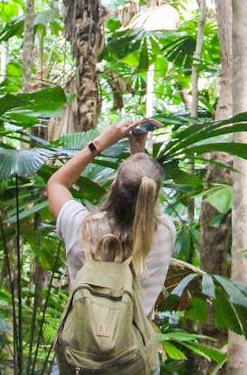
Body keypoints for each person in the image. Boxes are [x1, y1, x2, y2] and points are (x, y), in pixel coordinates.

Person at [46, 120, 176, 370]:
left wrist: (101, 142)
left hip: (80, 359)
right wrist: (139, 155)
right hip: (133, 358)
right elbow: (144, 201)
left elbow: (56, 184)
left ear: (114, 185)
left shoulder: (82, 226)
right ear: (153, 195)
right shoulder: (165, 233)